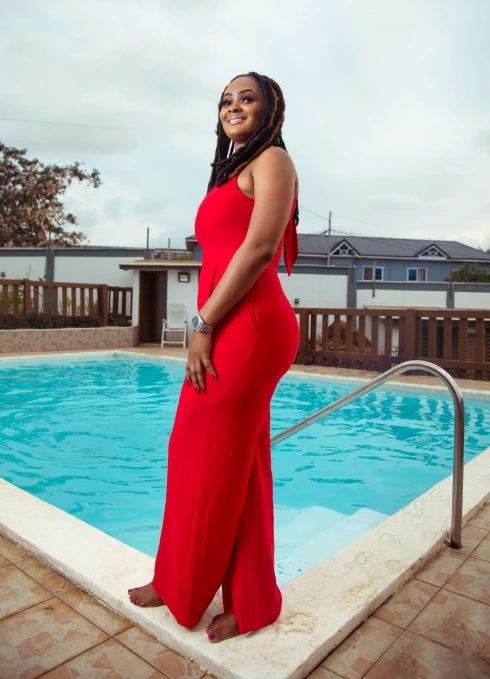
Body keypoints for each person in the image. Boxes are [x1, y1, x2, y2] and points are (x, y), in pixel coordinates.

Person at [129, 72, 300, 643]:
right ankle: (250, 600)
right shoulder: (229, 171)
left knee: (200, 452)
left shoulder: (272, 159)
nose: (233, 106)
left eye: (246, 97)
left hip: (248, 327)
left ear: (271, 108)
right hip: (228, 325)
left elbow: (257, 250)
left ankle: (183, 584)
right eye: (226, 100)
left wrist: (202, 324)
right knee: (238, 464)